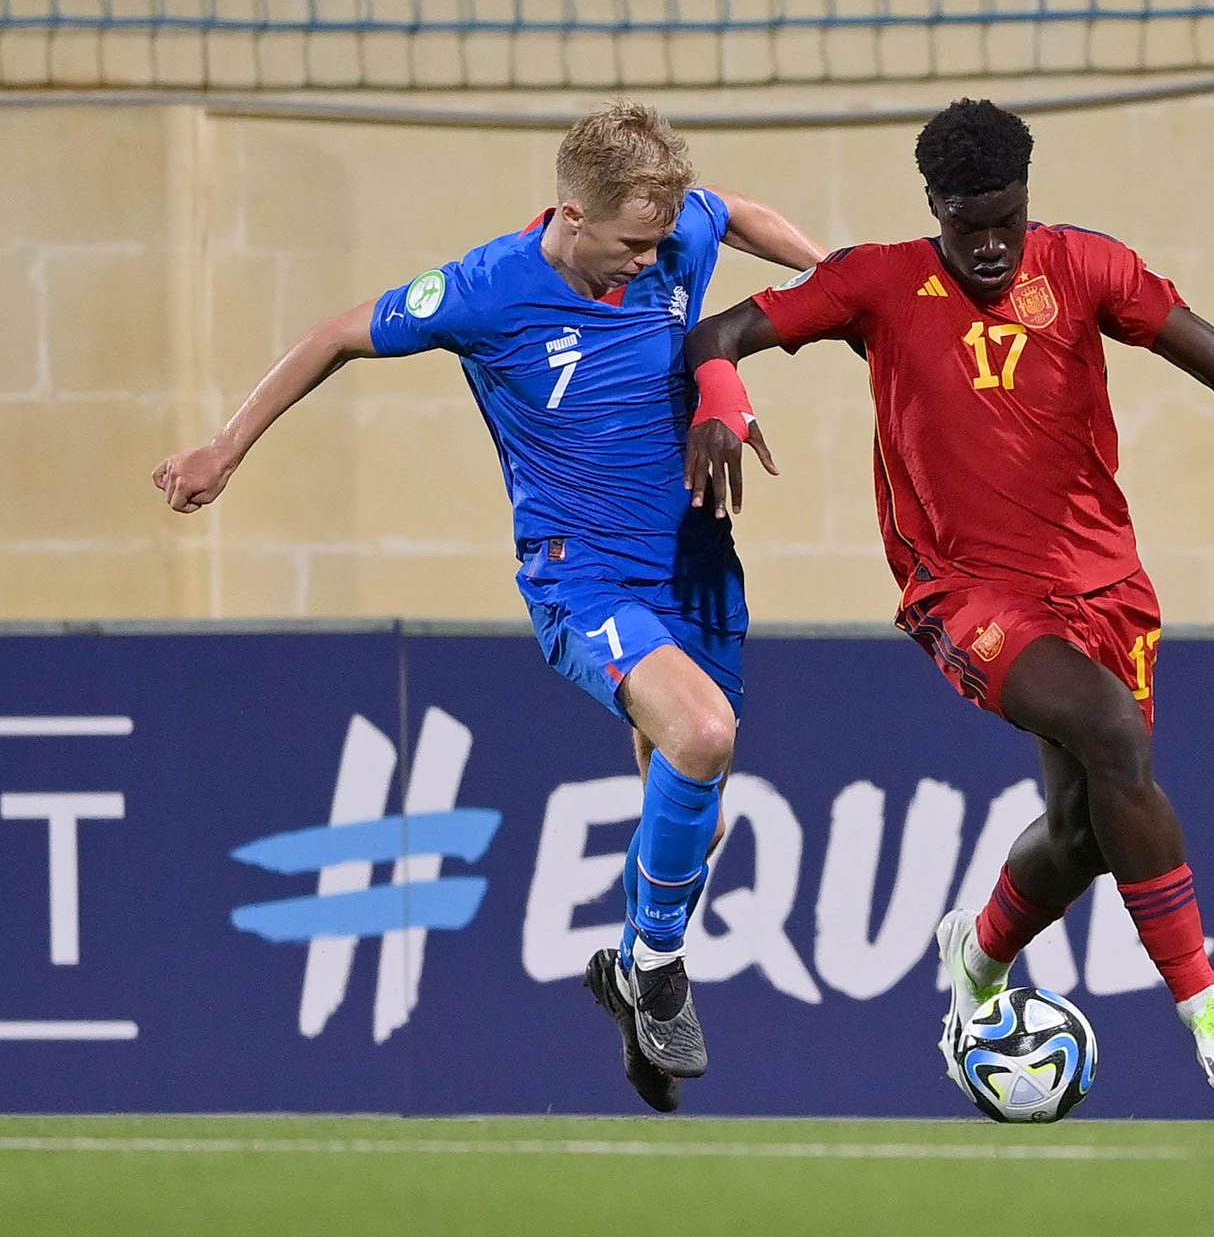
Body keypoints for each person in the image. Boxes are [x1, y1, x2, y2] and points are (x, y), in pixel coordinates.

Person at [682, 98, 1214, 1097]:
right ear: (935, 207)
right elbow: (717, 332)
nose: (991, 244)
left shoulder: (1085, 267)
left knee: (1085, 831)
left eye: (1007, 218)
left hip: (1106, 585)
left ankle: (979, 953)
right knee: (1114, 731)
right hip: (965, 588)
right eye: (969, 224)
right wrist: (722, 405)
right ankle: (1207, 1001)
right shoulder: (874, 281)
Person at [151, 101, 825, 1113]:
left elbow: (737, 216)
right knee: (705, 730)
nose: (653, 262)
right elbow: (338, 332)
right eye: (633, 246)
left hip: (695, 562)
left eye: (660, 242)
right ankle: (660, 967)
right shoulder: (485, 290)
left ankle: (632, 969)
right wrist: (226, 444)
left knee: (693, 815)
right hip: (583, 572)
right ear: (571, 214)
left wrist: (834, 279)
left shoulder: (671, 226)